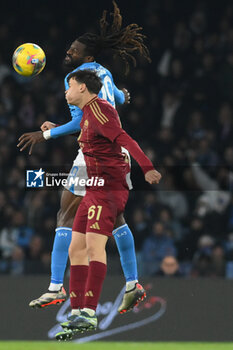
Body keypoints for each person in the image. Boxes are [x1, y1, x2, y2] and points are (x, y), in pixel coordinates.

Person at [17, 1, 151, 313]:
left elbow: (81, 121)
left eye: (74, 51)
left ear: (86, 58)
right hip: (116, 155)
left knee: (65, 213)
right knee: (116, 219)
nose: (68, 53)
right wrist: (123, 97)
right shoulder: (103, 72)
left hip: (94, 154)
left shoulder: (76, 78)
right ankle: (133, 283)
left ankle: (55, 286)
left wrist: (45, 134)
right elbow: (118, 98)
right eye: (69, 48)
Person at [55, 69, 161, 340]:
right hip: (94, 187)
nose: (65, 91)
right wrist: (52, 129)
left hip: (109, 189)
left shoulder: (100, 110)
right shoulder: (87, 115)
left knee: (93, 246)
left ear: (82, 88)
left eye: (69, 86)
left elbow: (125, 139)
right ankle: (78, 311)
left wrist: (146, 168)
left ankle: (90, 311)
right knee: (75, 248)